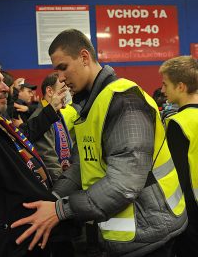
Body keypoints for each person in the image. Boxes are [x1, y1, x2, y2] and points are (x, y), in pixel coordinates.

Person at [11, 29, 187, 257]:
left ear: (84, 57)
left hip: (151, 235)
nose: (61, 78)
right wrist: (51, 200)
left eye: (63, 67)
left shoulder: (124, 100)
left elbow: (124, 184)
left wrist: (60, 210)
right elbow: (80, 167)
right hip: (122, 237)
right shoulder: (91, 105)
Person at [0, 65, 78, 257]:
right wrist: (62, 207)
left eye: (2, 80)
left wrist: (51, 110)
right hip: (16, 242)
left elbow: (24, 135)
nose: (6, 87)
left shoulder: (2, 123)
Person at [159, 55, 198, 257]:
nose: (163, 90)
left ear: (181, 86)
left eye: (165, 85)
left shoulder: (177, 123)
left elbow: (179, 177)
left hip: (191, 217)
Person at [28, 72, 73, 182]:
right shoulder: (40, 117)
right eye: (63, 87)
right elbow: (48, 159)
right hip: (57, 183)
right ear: (49, 91)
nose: (68, 92)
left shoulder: (57, 113)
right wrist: (62, 185)